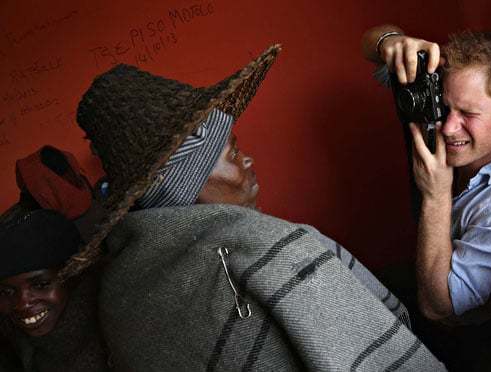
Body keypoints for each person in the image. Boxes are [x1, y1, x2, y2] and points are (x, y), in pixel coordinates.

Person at [61, 44, 446, 370]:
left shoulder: (116, 290)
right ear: (185, 183)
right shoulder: (276, 250)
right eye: (231, 151)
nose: (248, 161)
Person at [362, 25, 491, 371]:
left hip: (487, 336)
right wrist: (391, 42)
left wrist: (435, 197)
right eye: (445, 107)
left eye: (468, 114)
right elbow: (370, 44)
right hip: (428, 288)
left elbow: (439, 306)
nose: (448, 127)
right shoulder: (442, 118)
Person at [0, 209, 109, 371]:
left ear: (75, 274)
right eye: (6, 292)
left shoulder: (112, 326)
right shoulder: (11, 336)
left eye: (41, 285)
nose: (22, 304)